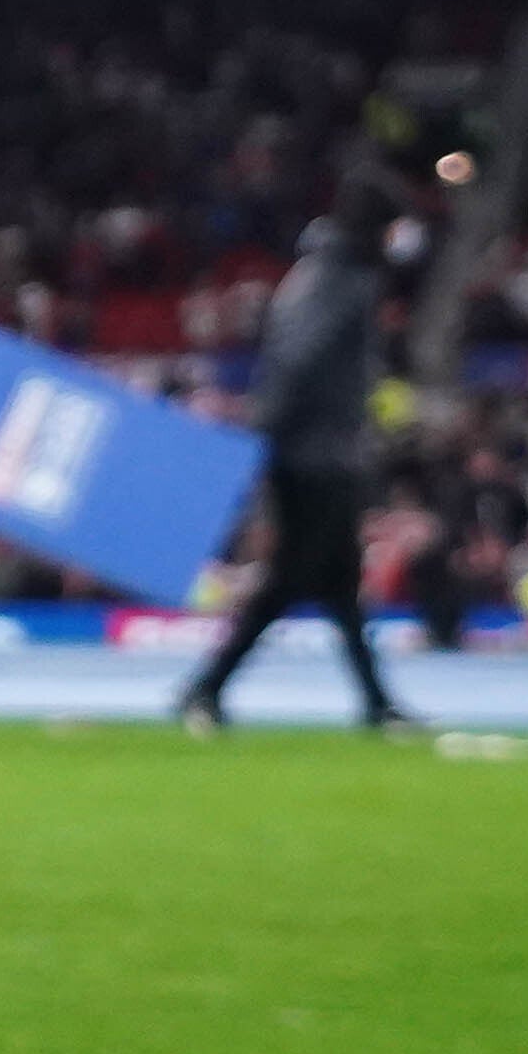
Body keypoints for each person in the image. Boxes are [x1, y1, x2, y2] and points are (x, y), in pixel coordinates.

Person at [180, 212, 409, 735]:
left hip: (316, 452)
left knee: (340, 583)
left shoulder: (316, 278)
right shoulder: (340, 283)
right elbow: (299, 363)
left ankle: (376, 702)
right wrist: (263, 434)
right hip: (316, 457)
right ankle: (207, 687)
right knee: (293, 580)